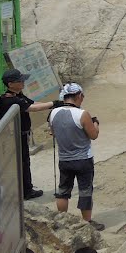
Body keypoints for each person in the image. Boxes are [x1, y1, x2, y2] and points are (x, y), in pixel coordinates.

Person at [0, 69, 60, 200]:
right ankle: (26, 191)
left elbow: (32, 103)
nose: (23, 82)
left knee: (23, 162)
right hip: (14, 137)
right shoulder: (10, 100)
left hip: (20, 135)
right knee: (22, 162)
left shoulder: (17, 96)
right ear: (10, 84)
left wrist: (52, 105)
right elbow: (31, 108)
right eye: (20, 80)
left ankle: (24, 188)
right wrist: (53, 104)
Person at [47, 82, 103, 230]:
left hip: (64, 159)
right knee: (85, 191)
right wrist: (95, 123)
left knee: (63, 191)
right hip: (83, 159)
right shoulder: (82, 114)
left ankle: (62, 220)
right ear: (78, 96)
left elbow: (52, 132)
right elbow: (93, 135)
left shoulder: (53, 113)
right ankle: (87, 223)